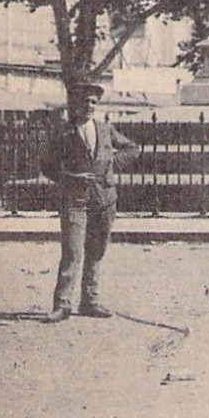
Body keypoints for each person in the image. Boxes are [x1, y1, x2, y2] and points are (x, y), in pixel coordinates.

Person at [40, 83, 139, 322]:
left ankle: (90, 301)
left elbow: (133, 148)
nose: (89, 106)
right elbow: (47, 166)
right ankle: (62, 304)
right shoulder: (62, 133)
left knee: (96, 251)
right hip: (75, 200)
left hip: (104, 199)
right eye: (85, 101)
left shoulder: (105, 129)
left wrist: (111, 163)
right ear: (74, 104)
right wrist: (70, 177)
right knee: (72, 251)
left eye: (93, 102)